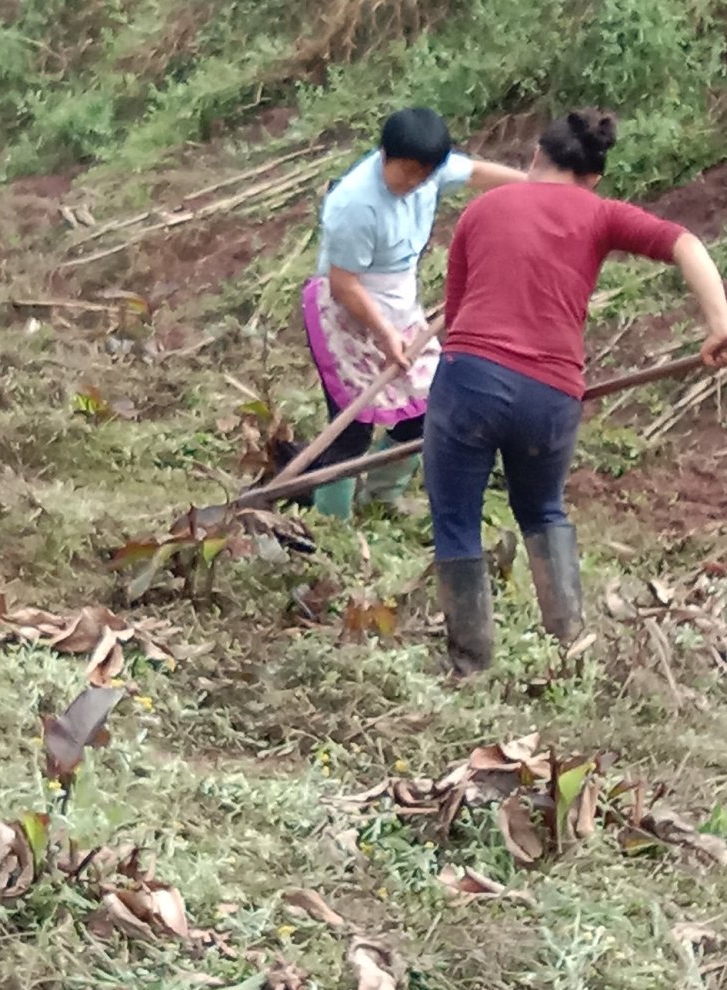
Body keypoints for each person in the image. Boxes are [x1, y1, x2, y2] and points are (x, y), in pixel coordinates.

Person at [423, 109, 727, 677]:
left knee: (456, 518)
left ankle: (470, 667)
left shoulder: (483, 209)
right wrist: (720, 323)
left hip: (471, 380)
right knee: (541, 509)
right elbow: (685, 243)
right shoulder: (602, 213)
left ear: (536, 158)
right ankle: (569, 648)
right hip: (552, 395)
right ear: (594, 179)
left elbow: (458, 315)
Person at [286, 107, 525, 520]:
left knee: (430, 407)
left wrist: (538, 188)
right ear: (385, 155)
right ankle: (331, 524)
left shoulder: (429, 174)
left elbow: (475, 174)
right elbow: (345, 285)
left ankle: (380, 497)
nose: (415, 182)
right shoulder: (355, 204)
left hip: (399, 307)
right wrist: (383, 334)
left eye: (425, 174)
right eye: (407, 172)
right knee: (351, 426)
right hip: (347, 311)